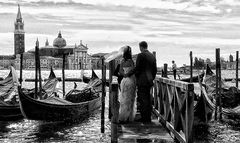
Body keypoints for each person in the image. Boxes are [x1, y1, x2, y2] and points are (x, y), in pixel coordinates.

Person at [127, 41, 157, 123]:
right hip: (149, 80)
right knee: (148, 98)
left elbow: (138, 68)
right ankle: (148, 117)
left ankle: (145, 118)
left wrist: (128, 74)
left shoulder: (141, 55)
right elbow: (155, 70)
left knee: (142, 99)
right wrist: (152, 78)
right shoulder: (152, 56)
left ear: (141, 47)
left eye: (139, 47)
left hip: (142, 81)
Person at [118, 46, 137, 123]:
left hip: (124, 81)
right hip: (130, 80)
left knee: (123, 98)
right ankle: (129, 117)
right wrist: (128, 74)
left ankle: (123, 116)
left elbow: (120, 71)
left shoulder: (122, 61)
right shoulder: (131, 61)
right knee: (130, 99)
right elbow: (133, 70)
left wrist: (124, 75)